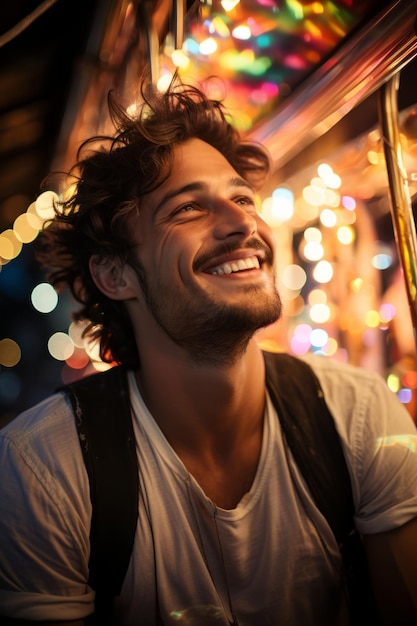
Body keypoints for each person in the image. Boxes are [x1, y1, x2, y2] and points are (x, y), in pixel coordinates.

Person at [0, 77, 417, 626]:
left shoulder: (358, 415)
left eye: (243, 198)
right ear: (115, 273)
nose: (244, 223)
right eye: (189, 209)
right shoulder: (44, 466)